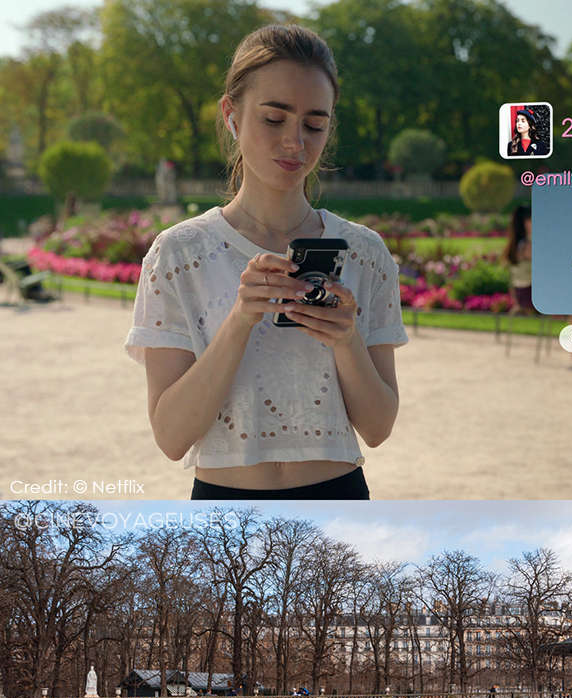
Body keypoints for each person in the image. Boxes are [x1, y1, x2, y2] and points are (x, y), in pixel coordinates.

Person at [125, 24, 406, 501]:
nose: (296, 142)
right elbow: (171, 438)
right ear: (231, 114)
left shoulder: (365, 253)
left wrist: (346, 337)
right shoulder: (177, 255)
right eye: (274, 119)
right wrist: (240, 319)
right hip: (223, 507)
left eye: (315, 124)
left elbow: (378, 427)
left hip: (340, 498)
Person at [502, 205, 534, 314]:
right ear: (527, 223)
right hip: (531, 297)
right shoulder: (528, 246)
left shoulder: (515, 245)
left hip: (520, 297)